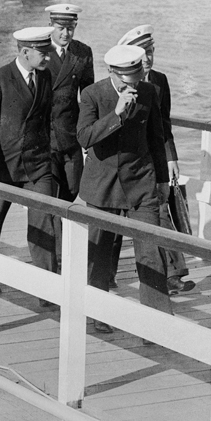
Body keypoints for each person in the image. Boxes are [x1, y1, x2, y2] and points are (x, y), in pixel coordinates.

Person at [77, 44, 173, 331]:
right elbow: (84, 137)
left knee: (150, 252)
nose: (133, 85)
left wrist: (162, 180)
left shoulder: (149, 92)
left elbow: (156, 138)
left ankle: (156, 325)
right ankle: (98, 314)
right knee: (99, 253)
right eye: (126, 80)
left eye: (136, 78)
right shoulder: (93, 94)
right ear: (111, 72)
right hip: (102, 186)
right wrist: (116, 115)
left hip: (140, 184)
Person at [0, 26, 58, 295]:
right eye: (43, 53)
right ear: (25, 52)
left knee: (43, 222)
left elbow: (47, 120)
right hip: (3, 166)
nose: (48, 57)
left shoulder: (45, 76)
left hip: (37, 167)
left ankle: (47, 288)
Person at [118, 24, 194, 294]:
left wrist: (171, 158)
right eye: (142, 53)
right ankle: (104, 275)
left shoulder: (160, 80)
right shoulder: (121, 81)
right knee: (117, 224)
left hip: (155, 160)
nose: (148, 58)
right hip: (128, 163)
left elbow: (164, 124)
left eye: (150, 51)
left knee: (162, 210)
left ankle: (173, 273)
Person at [44, 4, 94, 208]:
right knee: (50, 192)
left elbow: (88, 97)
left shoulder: (82, 52)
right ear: (50, 25)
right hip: (45, 135)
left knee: (73, 188)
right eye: (60, 28)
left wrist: (90, 135)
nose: (65, 33)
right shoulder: (40, 50)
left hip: (71, 134)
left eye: (70, 28)